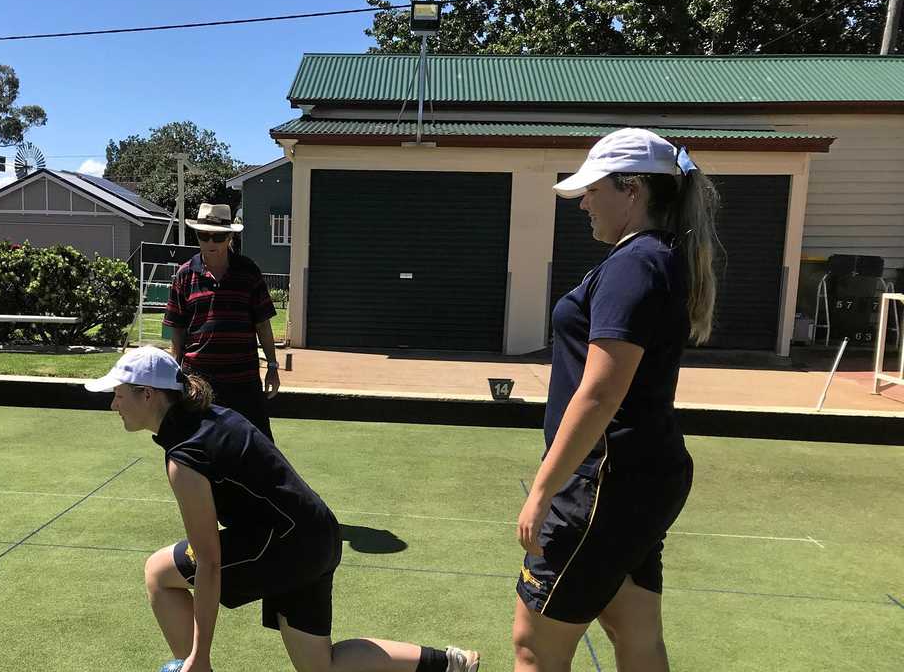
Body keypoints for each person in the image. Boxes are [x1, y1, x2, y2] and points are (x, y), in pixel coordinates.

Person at [85, 346, 480, 672]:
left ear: (149, 394)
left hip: (287, 546)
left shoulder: (185, 458)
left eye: (119, 393)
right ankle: (450, 664)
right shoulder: (211, 416)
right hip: (317, 534)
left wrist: (200, 656)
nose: (113, 404)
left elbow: (209, 561)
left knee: (158, 572)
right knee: (320, 666)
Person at [512, 128, 719, 672]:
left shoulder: (635, 263)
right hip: (644, 476)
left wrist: (542, 490)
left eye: (592, 189)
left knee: (534, 647)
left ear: (633, 190)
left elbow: (601, 391)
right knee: (635, 632)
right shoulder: (658, 256)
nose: (582, 202)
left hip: (604, 481)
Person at [164, 202, 281, 440]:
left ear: (229, 237)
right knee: (197, 445)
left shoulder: (249, 272)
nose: (210, 243)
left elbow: (263, 325)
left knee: (258, 445)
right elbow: (177, 329)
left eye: (217, 237)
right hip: (197, 379)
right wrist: (174, 372)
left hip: (243, 379)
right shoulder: (184, 275)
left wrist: (272, 366)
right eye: (203, 236)